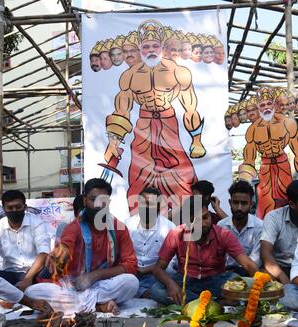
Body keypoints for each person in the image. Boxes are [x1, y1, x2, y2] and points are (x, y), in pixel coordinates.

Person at [103, 20, 207, 212]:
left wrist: (197, 140)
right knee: (138, 175)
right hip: (144, 127)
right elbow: (122, 110)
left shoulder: (178, 72)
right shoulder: (129, 76)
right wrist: (113, 143)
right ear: (140, 48)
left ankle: (185, 220)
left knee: (181, 176)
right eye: (146, 46)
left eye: (155, 46)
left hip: (169, 125)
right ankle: (140, 220)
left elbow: (190, 108)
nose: (151, 50)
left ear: (162, 47)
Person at [26, 179, 139, 315]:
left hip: (102, 284)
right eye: (93, 199)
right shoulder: (74, 227)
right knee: (31, 293)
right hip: (73, 285)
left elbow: (131, 265)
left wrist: (95, 276)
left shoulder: (118, 228)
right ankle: (99, 306)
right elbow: (66, 244)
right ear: (85, 201)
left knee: (131, 282)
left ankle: (82, 305)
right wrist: (61, 252)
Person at [150, 199, 258, 305]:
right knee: (156, 290)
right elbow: (158, 269)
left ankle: (195, 302)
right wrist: (171, 285)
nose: (203, 224)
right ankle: (214, 303)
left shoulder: (223, 234)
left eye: (206, 217)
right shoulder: (176, 234)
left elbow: (247, 264)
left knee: (240, 284)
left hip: (216, 281)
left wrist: (263, 282)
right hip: (186, 281)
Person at [238, 86, 298, 219]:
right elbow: (249, 159)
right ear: (258, 107)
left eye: (269, 103)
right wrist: (244, 184)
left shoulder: (287, 123)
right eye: (262, 105)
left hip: (283, 165)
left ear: (274, 104)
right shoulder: (252, 130)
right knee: (265, 204)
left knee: (288, 200)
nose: (266, 107)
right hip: (264, 167)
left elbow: (297, 150)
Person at [126, 187, 175, 298]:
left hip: (157, 274)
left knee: (171, 277)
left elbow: (172, 262)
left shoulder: (169, 227)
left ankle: (144, 292)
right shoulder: (127, 225)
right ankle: (145, 293)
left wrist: (146, 270)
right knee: (122, 280)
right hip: (132, 274)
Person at [0, 190, 50, 291]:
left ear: (24, 207)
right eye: (10, 208)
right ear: (4, 209)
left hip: (35, 272)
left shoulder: (36, 223)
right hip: (10, 274)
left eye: (18, 207)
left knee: (51, 269)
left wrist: (27, 279)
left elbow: (43, 253)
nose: (14, 210)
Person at [218, 181, 263, 276]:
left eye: (244, 203)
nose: (239, 208)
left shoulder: (259, 226)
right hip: (224, 275)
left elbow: (256, 262)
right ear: (230, 203)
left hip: (249, 274)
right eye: (235, 202)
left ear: (251, 204)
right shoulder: (221, 226)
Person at [261, 180, 298, 285]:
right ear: (292, 204)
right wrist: (286, 283)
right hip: (279, 271)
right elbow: (265, 253)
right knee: (263, 275)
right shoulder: (274, 217)